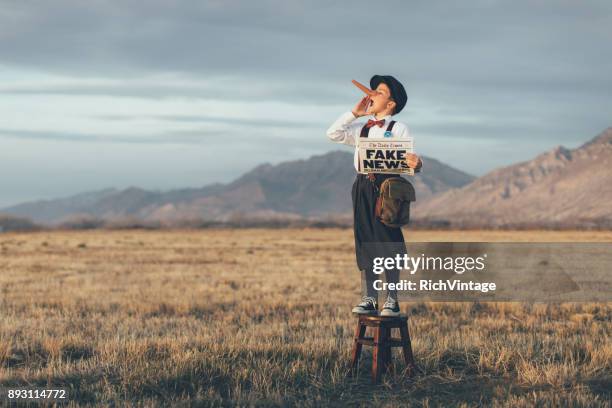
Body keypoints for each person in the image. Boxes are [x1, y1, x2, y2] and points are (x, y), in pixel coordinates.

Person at [326, 75, 422, 316]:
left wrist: (417, 163)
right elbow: (333, 133)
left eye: (379, 91)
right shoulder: (361, 129)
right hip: (362, 186)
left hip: (389, 186)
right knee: (366, 239)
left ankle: (391, 298)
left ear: (391, 104)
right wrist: (354, 114)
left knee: (388, 238)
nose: (372, 94)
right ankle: (369, 297)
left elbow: (408, 162)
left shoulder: (398, 128)